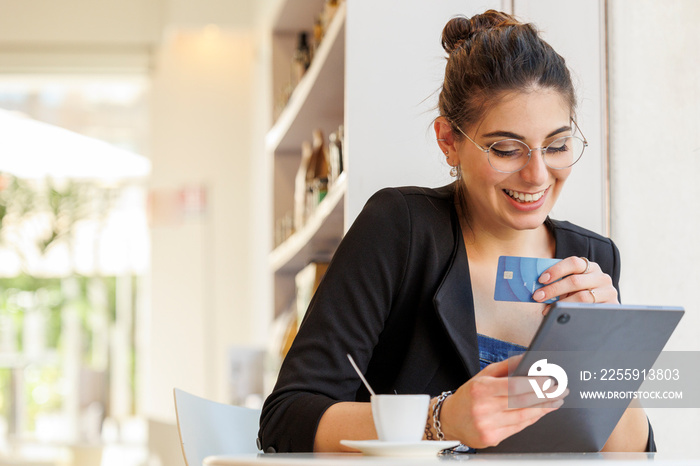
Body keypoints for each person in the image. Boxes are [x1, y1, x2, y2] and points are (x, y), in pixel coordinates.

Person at [258, 10, 654, 453]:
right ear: (449, 140)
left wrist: (609, 346)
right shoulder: (400, 229)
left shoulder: (592, 259)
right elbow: (284, 420)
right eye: (506, 149)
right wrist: (438, 420)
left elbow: (631, 454)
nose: (538, 174)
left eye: (557, 145)